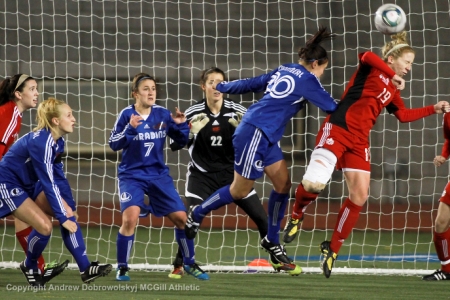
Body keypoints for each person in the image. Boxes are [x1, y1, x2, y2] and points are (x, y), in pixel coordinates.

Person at [282, 31, 450, 278]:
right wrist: (392, 75)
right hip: (338, 129)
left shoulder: (393, 89)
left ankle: (333, 248)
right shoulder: (372, 69)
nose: (409, 68)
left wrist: (432, 109)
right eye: (407, 62)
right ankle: (296, 215)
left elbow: (402, 116)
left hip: (359, 141)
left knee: (360, 195)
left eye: (411, 64)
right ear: (392, 59)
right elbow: (366, 54)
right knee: (314, 184)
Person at [184, 27, 338, 274]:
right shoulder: (309, 79)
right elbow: (332, 107)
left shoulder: (285, 68)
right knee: (239, 190)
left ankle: (271, 239)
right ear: (316, 64)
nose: (321, 74)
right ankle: (197, 213)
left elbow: (253, 83)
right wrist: (364, 102)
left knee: (283, 184)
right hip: (254, 132)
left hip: (266, 135)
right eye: (323, 69)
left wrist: (225, 87)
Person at [168, 67, 275, 278]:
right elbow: (173, 144)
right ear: (203, 86)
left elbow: (257, 138)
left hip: (233, 176)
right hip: (202, 176)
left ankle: (277, 258)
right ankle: (179, 264)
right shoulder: (191, 113)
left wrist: (243, 130)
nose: (216, 86)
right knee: (189, 221)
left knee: (263, 220)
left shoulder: (238, 111)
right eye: (211, 82)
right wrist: (187, 132)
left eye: (220, 82)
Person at [0, 97, 112, 286]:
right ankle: (30, 265)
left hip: (29, 183)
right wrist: (62, 217)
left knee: (68, 213)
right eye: (69, 115)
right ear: (56, 121)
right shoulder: (41, 143)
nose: (74, 119)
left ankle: (86, 269)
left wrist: (70, 208)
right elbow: (48, 182)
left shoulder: (57, 142)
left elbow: (58, 177)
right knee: (45, 227)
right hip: (8, 184)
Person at [109, 73, 209, 281]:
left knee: (182, 219)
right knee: (130, 218)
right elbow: (114, 144)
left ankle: (188, 263)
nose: (151, 92)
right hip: (132, 176)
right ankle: (123, 267)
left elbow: (180, 141)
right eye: (146, 88)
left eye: (153, 88)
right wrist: (130, 129)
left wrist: (181, 125)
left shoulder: (163, 114)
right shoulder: (126, 115)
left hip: (158, 175)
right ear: (135, 94)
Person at [0, 74, 67, 276]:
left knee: (23, 211)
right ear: (18, 94)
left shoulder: (13, 114)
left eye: (36, 88)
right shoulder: (9, 114)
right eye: (32, 89)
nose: (36, 93)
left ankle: (37, 268)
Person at [422, 112, 450, 281]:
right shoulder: (448, 116)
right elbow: (449, 140)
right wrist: (444, 156)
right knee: (440, 223)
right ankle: (447, 270)